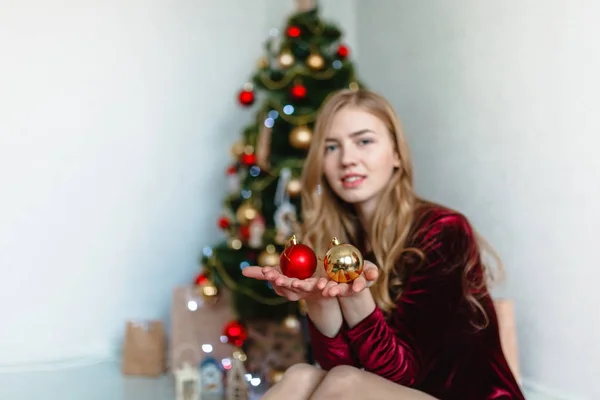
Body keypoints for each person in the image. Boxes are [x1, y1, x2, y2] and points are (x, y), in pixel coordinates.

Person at [242, 88, 525, 400]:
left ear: (397, 155)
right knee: (300, 376)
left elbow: (403, 375)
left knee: (345, 383)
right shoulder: (341, 245)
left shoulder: (444, 231)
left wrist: (356, 296)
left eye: (364, 141)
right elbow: (339, 364)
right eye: (332, 147)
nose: (347, 159)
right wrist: (319, 301)